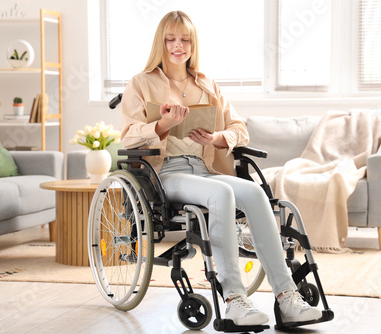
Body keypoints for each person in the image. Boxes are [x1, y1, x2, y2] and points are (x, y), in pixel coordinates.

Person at [120, 10, 322, 326]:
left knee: (255, 193)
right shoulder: (141, 84)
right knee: (221, 193)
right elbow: (129, 135)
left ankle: (286, 297)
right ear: (161, 42)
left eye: (185, 39)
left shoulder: (207, 84)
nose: (178, 45)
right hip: (167, 174)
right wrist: (163, 124)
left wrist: (217, 137)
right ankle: (234, 299)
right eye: (171, 39)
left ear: (193, 43)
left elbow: (240, 128)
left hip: (205, 168)